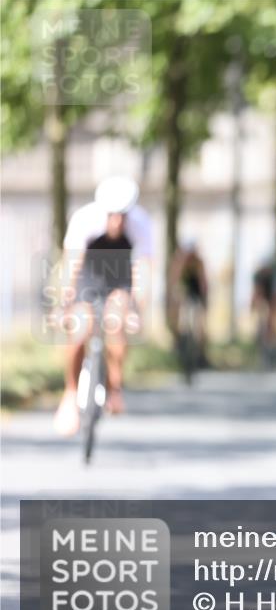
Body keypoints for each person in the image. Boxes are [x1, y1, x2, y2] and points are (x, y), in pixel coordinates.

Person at [53, 176, 153, 436]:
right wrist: (64, 305)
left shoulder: (141, 224)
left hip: (120, 278)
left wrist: (137, 310)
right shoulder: (84, 220)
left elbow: (143, 270)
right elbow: (71, 266)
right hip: (88, 276)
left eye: (123, 215)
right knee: (79, 329)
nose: (118, 221)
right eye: (112, 215)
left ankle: (115, 387)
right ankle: (71, 393)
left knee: (117, 321)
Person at [167, 237, 210, 368]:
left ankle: (201, 353)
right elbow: (174, 281)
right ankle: (178, 340)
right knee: (178, 315)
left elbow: (203, 282)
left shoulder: (199, 262)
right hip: (184, 291)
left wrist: (204, 299)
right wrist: (174, 299)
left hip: (195, 292)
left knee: (200, 323)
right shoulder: (179, 262)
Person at [251, 259, 276, 363]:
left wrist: (273, 314)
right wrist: (253, 308)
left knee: (271, 319)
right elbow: (255, 295)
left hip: (271, 293)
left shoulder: (274, 277)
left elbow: (275, 297)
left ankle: (274, 343)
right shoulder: (257, 276)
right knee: (260, 316)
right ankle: (261, 340)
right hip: (263, 290)